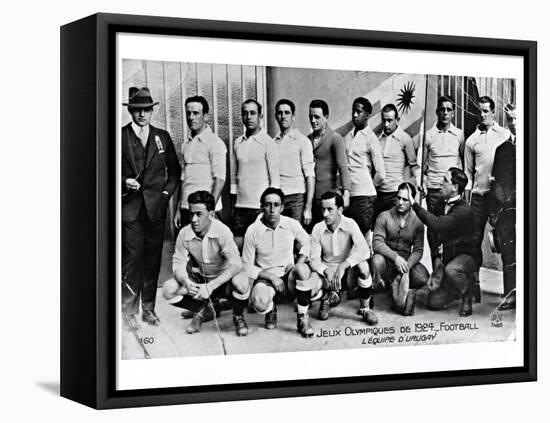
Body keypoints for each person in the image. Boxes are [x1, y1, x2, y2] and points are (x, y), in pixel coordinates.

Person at [121, 87, 181, 330]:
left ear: (152, 111)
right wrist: (123, 182)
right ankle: (128, 312)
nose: (142, 115)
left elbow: (175, 171)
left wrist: (166, 194)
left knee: (152, 260)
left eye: (147, 110)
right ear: (131, 111)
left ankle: (148, 309)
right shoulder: (120, 136)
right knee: (132, 260)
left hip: (156, 210)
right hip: (130, 210)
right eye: (138, 110)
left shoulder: (162, 136)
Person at [162, 191, 251, 336]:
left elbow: (236, 264)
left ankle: (238, 316)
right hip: (201, 281)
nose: (193, 219)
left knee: (242, 282)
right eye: (191, 214)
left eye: (199, 214)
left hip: (223, 282)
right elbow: (178, 264)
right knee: (168, 289)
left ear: (211, 215)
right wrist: (185, 282)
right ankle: (202, 310)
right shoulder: (184, 233)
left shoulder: (222, 231)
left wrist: (211, 287)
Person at [242, 188, 321, 337]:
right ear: (261, 207)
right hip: (267, 278)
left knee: (303, 270)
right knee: (259, 301)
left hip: (288, 273)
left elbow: (308, 242)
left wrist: (300, 262)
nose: (272, 210)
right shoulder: (253, 230)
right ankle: (271, 308)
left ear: (282, 207)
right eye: (268, 205)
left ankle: (302, 318)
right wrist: (271, 277)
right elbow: (247, 265)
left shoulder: (291, 224)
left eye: (276, 205)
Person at [410, 167, 478, 316]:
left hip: (466, 258)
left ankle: (467, 292)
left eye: (445, 180)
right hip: (447, 259)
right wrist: (435, 258)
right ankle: (455, 287)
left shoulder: (464, 210)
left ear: (455, 187)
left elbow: (437, 224)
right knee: (433, 302)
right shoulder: (441, 203)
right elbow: (432, 231)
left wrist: (414, 204)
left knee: (452, 270)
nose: (440, 183)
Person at [464, 95, 510, 301]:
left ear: (493, 112)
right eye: (479, 111)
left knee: (505, 241)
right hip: (478, 198)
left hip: (500, 198)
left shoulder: (504, 134)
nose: (482, 115)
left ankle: (510, 290)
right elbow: (467, 175)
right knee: (474, 241)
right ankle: (475, 285)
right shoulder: (471, 141)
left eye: (486, 111)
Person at [310, 191, 377, 324]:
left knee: (364, 266)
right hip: (327, 274)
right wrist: (326, 271)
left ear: (340, 210)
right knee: (312, 289)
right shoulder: (317, 228)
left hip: (347, 273)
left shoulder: (350, 224)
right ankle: (328, 297)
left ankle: (365, 308)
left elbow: (365, 250)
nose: (325, 214)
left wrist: (344, 265)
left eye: (330, 209)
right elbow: (313, 260)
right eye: (323, 209)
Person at [371, 183, 429, 316]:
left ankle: (396, 286)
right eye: (398, 198)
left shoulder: (418, 221)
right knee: (376, 261)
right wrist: (395, 258)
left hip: (405, 261)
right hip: (387, 260)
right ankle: (382, 287)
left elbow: (418, 250)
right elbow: (377, 243)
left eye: (405, 199)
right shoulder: (384, 216)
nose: (400, 202)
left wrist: (407, 265)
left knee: (423, 277)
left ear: (412, 201)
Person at [230, 99, 280, 248]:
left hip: (259, 207)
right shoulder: (238, 142)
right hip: (240, 206)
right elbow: (234, 177)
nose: (249, 117)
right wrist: (234, 203)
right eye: (245, 114)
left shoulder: (269, 143)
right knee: (238, 246)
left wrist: (269, 207)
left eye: (253, 113)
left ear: (260, 116)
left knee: (260, 248)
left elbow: (275, 181)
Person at [422, 96, 465, 267]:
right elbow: (422, 165)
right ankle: (436, 270)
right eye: (442, 109)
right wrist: (424, 183)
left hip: (453, 193)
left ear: (453, 113)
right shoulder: (429, 135)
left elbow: (464, 164)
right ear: (437, 112)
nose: (445, 113)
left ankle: (449, 271)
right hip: (434, 191)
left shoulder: (459, 135)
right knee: (434, 232)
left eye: (449, 109)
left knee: (452, 232)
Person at [174, 96, 227, 229]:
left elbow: (220, 179)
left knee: (207, 248)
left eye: (196, 113)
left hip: (204, 210)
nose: (191, 117)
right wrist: (178, 209)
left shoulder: (215, 143)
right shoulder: (185, 145)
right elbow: (183, 179)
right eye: (188, 113)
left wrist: (209, 210)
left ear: (206, 116)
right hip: (186, 209)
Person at [343, 97, 385, 246]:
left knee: (364, 236)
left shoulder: (371, 138)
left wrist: (369, 187)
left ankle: (368, 266)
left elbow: (381, 173)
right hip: (349, 195)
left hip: (364, 196)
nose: (355, 115)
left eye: (359, 112)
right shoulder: (348, 136)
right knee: (349, 239)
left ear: (367, 115)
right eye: (353, 111)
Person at [489, 104, 517, 310]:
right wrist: (495, 210)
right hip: (507, 209)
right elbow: (496, 182)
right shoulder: (502, 150)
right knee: (508, 251)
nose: (514, 123)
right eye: (510, 120)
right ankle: (510, 294)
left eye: (517, 118)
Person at [307, 99, 351, 228]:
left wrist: (346, 193)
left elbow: (343, 167)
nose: (313, 121)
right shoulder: (307, 140)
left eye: (317, 117)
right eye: (311, 117)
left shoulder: (335, 138)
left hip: (329, 199)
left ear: (326, 117)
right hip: (311, 199)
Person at [273, 99, 315, 225]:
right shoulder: (273, 142)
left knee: (297, 241)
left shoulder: (302, 141)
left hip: (296, 199)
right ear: (276, 116)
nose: (283, 116)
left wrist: (308, 208)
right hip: (277, 199)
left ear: (293, 116)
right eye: (280, 113)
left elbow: (310, 176)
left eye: (287, 112)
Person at [375, 103, 419, 221]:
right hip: (378, 193)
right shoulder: (377, 139)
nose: (386, 124)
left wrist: (420, 184)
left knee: (395, 230)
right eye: (384, 120)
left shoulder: (405, 138)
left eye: (390, 120)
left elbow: (414, 165)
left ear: (397, 119)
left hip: (395, 194)